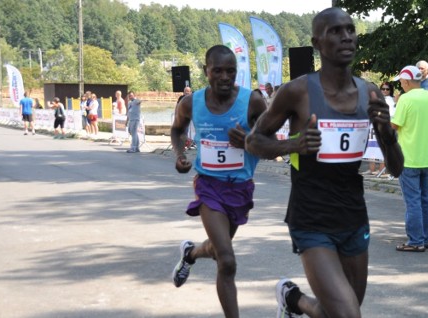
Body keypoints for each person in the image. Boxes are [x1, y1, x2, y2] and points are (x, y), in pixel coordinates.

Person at [245, 8, 403, 318]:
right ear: (317, 42)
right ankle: (294, 300)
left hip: (353, 215)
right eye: (335, 31)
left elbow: (396, 169)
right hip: (311, 217)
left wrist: (386, 133)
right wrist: (295, 145)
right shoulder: (297, 92)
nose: (346, 36)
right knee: (347, 315)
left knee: (342, 311)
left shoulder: (370, 93)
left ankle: (293, 300)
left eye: (350, 29)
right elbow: (253, 141)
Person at [169, 45, 267, 318]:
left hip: (241, 188)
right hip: (209, 186)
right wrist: (180, 155)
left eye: (231, 71)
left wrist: (249, 141)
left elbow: (269, 142)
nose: (225, 77)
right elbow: (177, 129)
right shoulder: (191, 103)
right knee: (227, 260)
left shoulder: (254, 102)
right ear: (206, 71)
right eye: (218, 71)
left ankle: (190, 254)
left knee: (216, 249)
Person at [390, 65, 428, 252]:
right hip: (427, 156)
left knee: (413, 201)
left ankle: (415, 241)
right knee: (426, 199)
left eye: (401, 81)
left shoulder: (405, 98)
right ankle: (425, 237)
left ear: (407, 81)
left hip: (408, 157)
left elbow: (395, 125)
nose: (400, 84)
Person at [362, 81, 395, 176]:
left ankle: (382, 169)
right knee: (371, 146)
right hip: (373, 125)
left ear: (390, 90)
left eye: (387, 89)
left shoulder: (391, 100)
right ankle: (371, 169)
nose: (385, 90)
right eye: (383, 88)